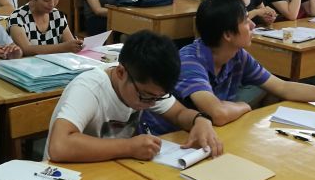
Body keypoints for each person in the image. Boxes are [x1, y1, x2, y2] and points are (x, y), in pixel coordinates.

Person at [167, 0, 315, 127]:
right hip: (171, 140)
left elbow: (283, 87)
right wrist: (245, 106)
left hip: (210, 133)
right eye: (245, 21)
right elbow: (218, 114)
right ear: (227, 34)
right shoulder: (190, 61)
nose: (253, 25)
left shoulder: (237, 55)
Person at [45, 30, 223, 162]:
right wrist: (129, 147)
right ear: (121, 72)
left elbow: (178, 114)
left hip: (110, 168)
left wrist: (200, 120)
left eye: (158, 98)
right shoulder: (90, 88)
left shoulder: (147, 87)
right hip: (66, 176)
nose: (151, 104)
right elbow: (60, 146)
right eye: (146, 96)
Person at [8, 0, 82, 56]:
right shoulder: (17, 17)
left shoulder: (57, 15)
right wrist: (64, 47)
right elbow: (26, 49)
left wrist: (76, 45)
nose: (52, 4)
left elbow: (70, 43)